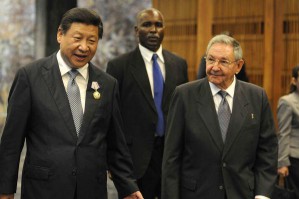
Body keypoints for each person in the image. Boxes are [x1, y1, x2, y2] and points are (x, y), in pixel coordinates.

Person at [0, 7, 143, 199]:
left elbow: (116, 144)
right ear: (60, 34)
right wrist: (5, 190)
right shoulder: (30, 77)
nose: (84, 47)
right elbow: (11, 142)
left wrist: (128, 187)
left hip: (91, 190)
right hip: (43, 190)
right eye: (77, 38)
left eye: (91, 41)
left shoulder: (107, 85)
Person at [162, 34, 278, 199]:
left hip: (242, 194)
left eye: (223, 62)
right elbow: (171, 158)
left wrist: (262, 195)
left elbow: (267, 152)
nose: (214, 67)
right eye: (210, 60)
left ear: (238, 66)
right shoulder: (184, 95)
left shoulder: (257, 97)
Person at [106, 8, 188, 199]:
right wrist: (112, 162)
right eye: (147, 25)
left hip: (171, 157)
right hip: (135, 161)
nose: (153, 30)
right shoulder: (119, 66)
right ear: (136, 30)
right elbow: (111, 116)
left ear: (164, 29)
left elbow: (185, 112)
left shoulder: (179, 64)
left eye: (158, 25)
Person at [277, 65, 299, 199]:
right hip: (295, 159)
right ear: (294, 81)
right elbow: (283, 133)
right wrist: (282, 163)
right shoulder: (287, 102)